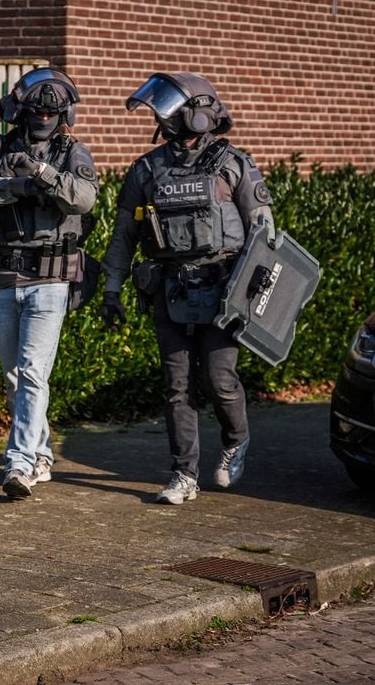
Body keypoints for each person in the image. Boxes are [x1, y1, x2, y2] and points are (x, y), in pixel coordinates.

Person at [100, 72, 274, 505]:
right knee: (177, 386)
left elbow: (264, 231)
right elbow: (124, 234)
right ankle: (184, 475)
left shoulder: (234, 163)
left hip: (223, 291)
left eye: (172, 108)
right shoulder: (147, 168)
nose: (164, 116)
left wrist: (260, 294)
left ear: (198, 115)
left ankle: (236, 438)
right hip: (171, 289)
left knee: (219, 380)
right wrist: (112, 289)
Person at [0, 68, 99, 500]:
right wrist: (18, 185)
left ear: (64, 113)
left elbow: (85, 197)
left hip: (51, 278)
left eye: (51, 111)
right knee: (14, 375)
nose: (43, 116)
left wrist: (43, 174)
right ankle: (39, 453)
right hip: (2, 275)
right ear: (21, 109)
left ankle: (17, 463)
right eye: (36, 109)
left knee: (34, 372)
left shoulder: (73, 151)